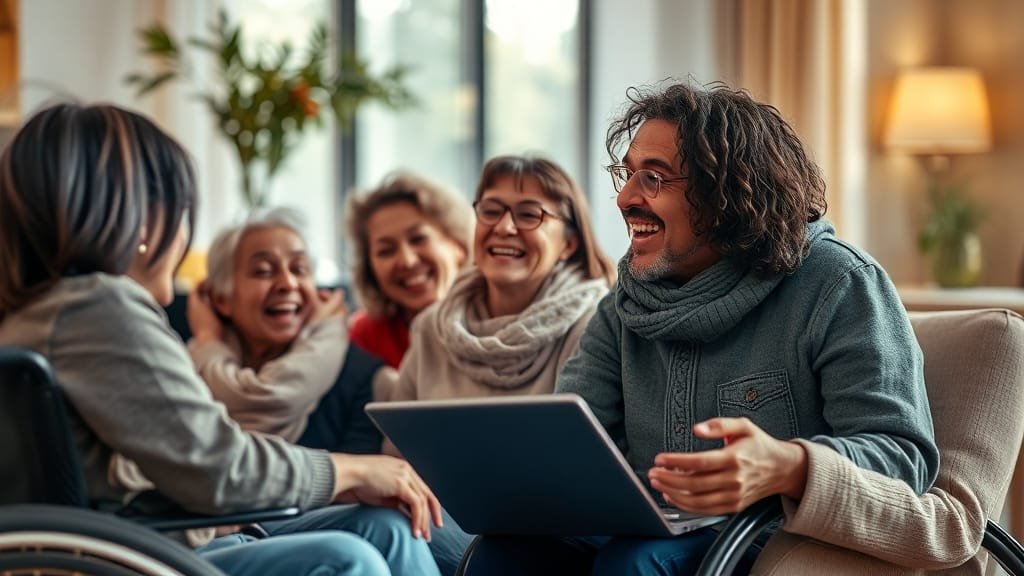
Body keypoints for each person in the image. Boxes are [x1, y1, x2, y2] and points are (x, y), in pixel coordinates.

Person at [465, 82, 941, 575]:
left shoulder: (837, 283)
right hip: (653, 525)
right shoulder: (624, 303)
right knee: (502, 553)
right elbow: (572, 445)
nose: (625, 198)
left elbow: (902, 456)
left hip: (773, 536)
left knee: (635, 562)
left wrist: (787, 465)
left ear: (729, 193)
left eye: (654, 178)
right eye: (627, 175)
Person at [0, 102, 442, 576]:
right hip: (127, 556)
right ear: (145, 220)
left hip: (126, 541)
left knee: (386, 527)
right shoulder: (97, 309)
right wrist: (352, 470)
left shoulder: (39, 312)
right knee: (346, 560)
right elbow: (217, 465)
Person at [391, 155, 615, 575]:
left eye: (529, 214)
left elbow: (588, 475)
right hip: (440, 518)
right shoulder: (430, 328)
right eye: (491, 210)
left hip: (549, 536)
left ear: (569, 242)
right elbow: (397, 456)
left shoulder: (596, 325)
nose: (505, 227)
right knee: (380, 524)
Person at [190, 206, 386, 455]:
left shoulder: (366, 381)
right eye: (263, 271)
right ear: (221, 299)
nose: (288, 283)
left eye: (299, 269)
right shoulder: (184, 372)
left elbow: (362, 489)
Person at [346, 173, 473, 369]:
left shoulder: (499, 321)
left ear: (458, 246)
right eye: (386, 250)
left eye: (418, 239)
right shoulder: (365, 336)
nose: (407, 260)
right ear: (369, 270)